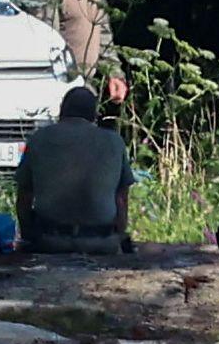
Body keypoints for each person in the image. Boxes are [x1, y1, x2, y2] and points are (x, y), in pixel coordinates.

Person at [15, 86, 135, 254]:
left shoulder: (39, 138)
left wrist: (28, 237)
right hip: (101, 242)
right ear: (94, 114)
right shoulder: (114, 142)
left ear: (62, 111)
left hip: (50, 242)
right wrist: (119, 237)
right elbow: (121, 199)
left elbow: (24, 197)